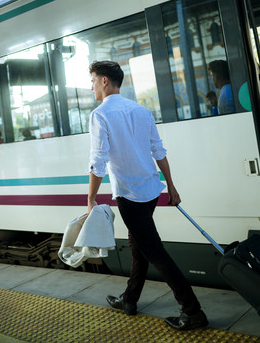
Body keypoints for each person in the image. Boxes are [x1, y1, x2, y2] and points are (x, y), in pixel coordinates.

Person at [87, 60, 208, 331]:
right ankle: (129, 299)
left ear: (105, 81)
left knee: (153, 251)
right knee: (138, 247)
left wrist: (91, 199)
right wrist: (172, 187)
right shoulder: (140, 110)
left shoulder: (100, 114)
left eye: (93, 80)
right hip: (151, 191)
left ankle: (192, 310)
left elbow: (98, 161)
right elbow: (159, 152)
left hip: (130, 196)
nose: (92, 86)